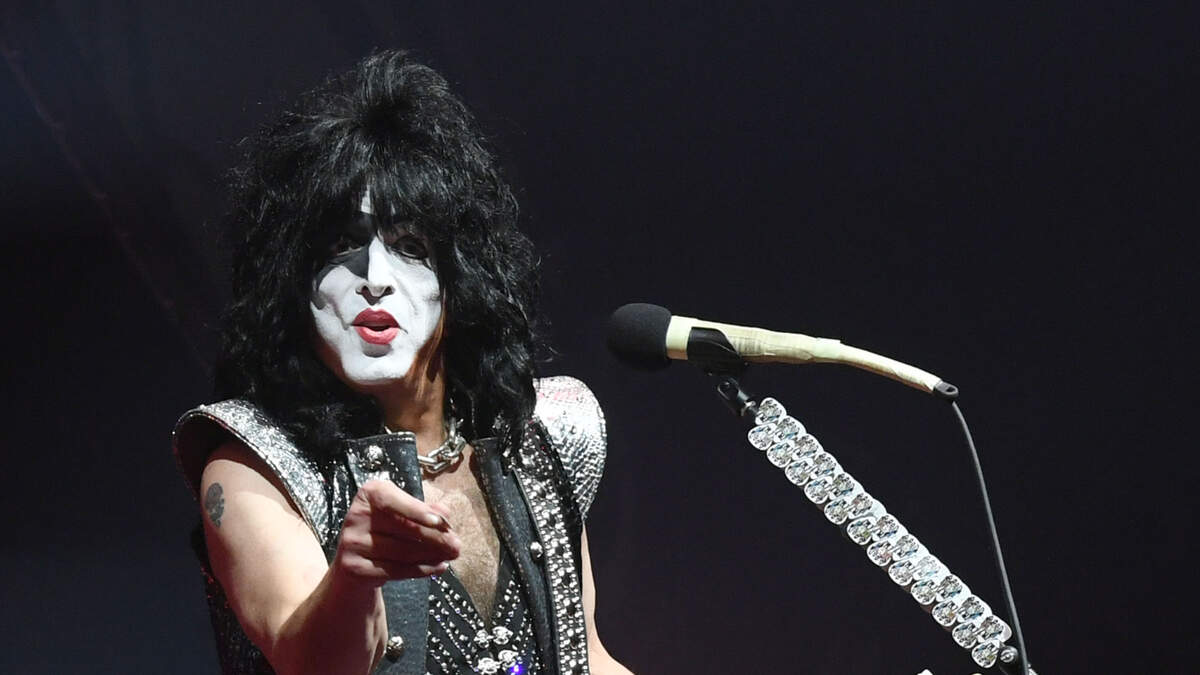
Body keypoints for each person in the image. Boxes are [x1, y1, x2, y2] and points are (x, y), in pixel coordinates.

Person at [173, 50, 631, 675]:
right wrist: (353, 579)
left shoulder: (539, 434)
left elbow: (587, 656)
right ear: (291, 279)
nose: (375, 278)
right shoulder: (252, 464)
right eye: (341, 245)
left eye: (410, 245)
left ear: (461, 274)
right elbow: (305, 661)